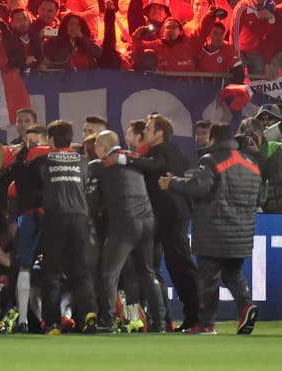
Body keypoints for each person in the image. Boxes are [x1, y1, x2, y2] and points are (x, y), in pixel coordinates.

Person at [160, 122, 261, 336]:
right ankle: (246, 305)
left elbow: (199, 187)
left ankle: (206, 324)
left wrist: (172, 183)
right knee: (233, 274)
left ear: (212, 139)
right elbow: (261, 196)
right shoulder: (251, 163)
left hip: (214, 232)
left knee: (208, 280)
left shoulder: (211, 160)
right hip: (242, 233)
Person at [126, 113, 200, 330]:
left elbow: (154, 165)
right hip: (170, 215)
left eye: (148, 129)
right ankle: (187, 315)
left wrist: (125, 158)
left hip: (170, 215)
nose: (145, 132)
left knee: (180, 265)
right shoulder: (173, 152)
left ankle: (198, 314)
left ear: (159, 133)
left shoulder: (163, 151)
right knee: (171, 265)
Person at [91, 130, 165, 333]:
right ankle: (160, 322)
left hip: (124, 223)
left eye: (96, 146)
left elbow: (92, 196)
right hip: (147, 221)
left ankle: (107, 320)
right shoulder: (134, 160)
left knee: (109, 273)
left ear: (103, 147)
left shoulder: (100, 165)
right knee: (147, 272)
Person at [34, 119, 96, 335]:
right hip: (80, 218)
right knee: (81, 270)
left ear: (51, 140)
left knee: (51, 271)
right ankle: (88, 313)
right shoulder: (83, 162)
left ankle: (51, 322)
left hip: (55, 218)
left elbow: (37, 188)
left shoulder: (44, 161)